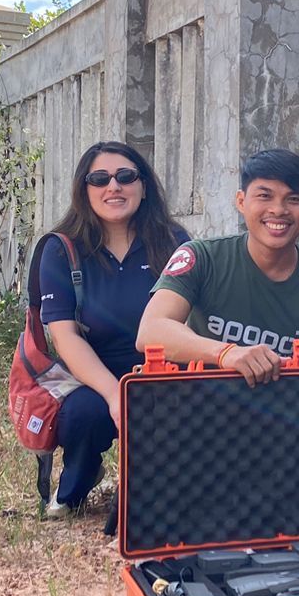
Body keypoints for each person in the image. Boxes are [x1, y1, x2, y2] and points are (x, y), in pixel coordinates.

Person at [137, 148, 299, 523]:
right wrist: (228, 353)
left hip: (288, 426)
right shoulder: (200, 257)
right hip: (202, 420)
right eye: (264, 196)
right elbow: (151, 331)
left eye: (292, 199)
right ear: (241, 201)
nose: (278, 211)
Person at [34, 141, 187, 519]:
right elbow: (65, 336)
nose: (113, 187)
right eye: (99, 179)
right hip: (92, 373)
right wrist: (115, 393)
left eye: (125, 176)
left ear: (144, 185)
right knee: (85, 415)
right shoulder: (61, 250)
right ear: (84, 190)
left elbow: (191, 319)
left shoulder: (174, 242)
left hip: (161, 369)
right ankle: (76, 481)